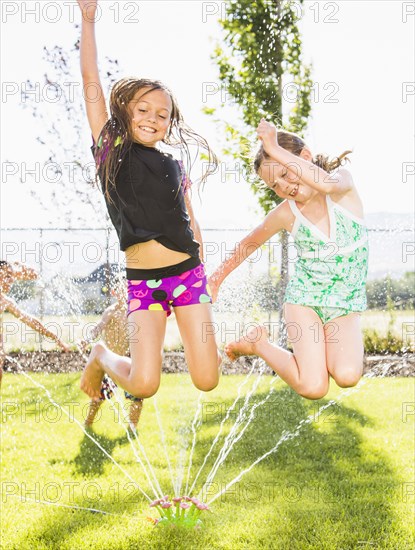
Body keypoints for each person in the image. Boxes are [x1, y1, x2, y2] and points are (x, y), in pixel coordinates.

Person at [76, 0, 221, 400]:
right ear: (124, 109)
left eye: (162, 114)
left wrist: (204, 269)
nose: (153, 118)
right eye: (143, 109)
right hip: (144, 282)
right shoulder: (111, 149)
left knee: (207, 379)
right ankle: (102, 355)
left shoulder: (173, 163)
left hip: (188, 274)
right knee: (144, 384)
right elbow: (90, 80)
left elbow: (188, 218)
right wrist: (89, 20)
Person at [209, 119, 369, 400]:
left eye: (286, 172)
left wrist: (272, 146)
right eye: (275, 185)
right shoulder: (287, 213)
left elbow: (327, 185)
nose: (284, 186)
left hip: (344, 305)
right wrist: (215, 280)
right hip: (304, 302)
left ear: (304, 157)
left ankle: (261, 343)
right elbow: (247, 245)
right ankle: (259, 344)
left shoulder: (341, 186)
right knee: (313, 387)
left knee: (346, 375)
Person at [81, 282, 144, 432]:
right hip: (109, 362)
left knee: (137, 395)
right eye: (122, 289)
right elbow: (98, 327)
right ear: (115, 292)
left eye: (128, 289)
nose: (126, 292)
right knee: (98, 396)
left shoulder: (135, 310)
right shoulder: (111, 311)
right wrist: (87, 339)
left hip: (127, 360)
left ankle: (132, 427)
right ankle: (88, 422)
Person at [0, 261, 70, 387]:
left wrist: (54, 337)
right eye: (8, 275)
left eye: (12, 275)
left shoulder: (5, 301)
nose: (12, 280)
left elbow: (31, 321)